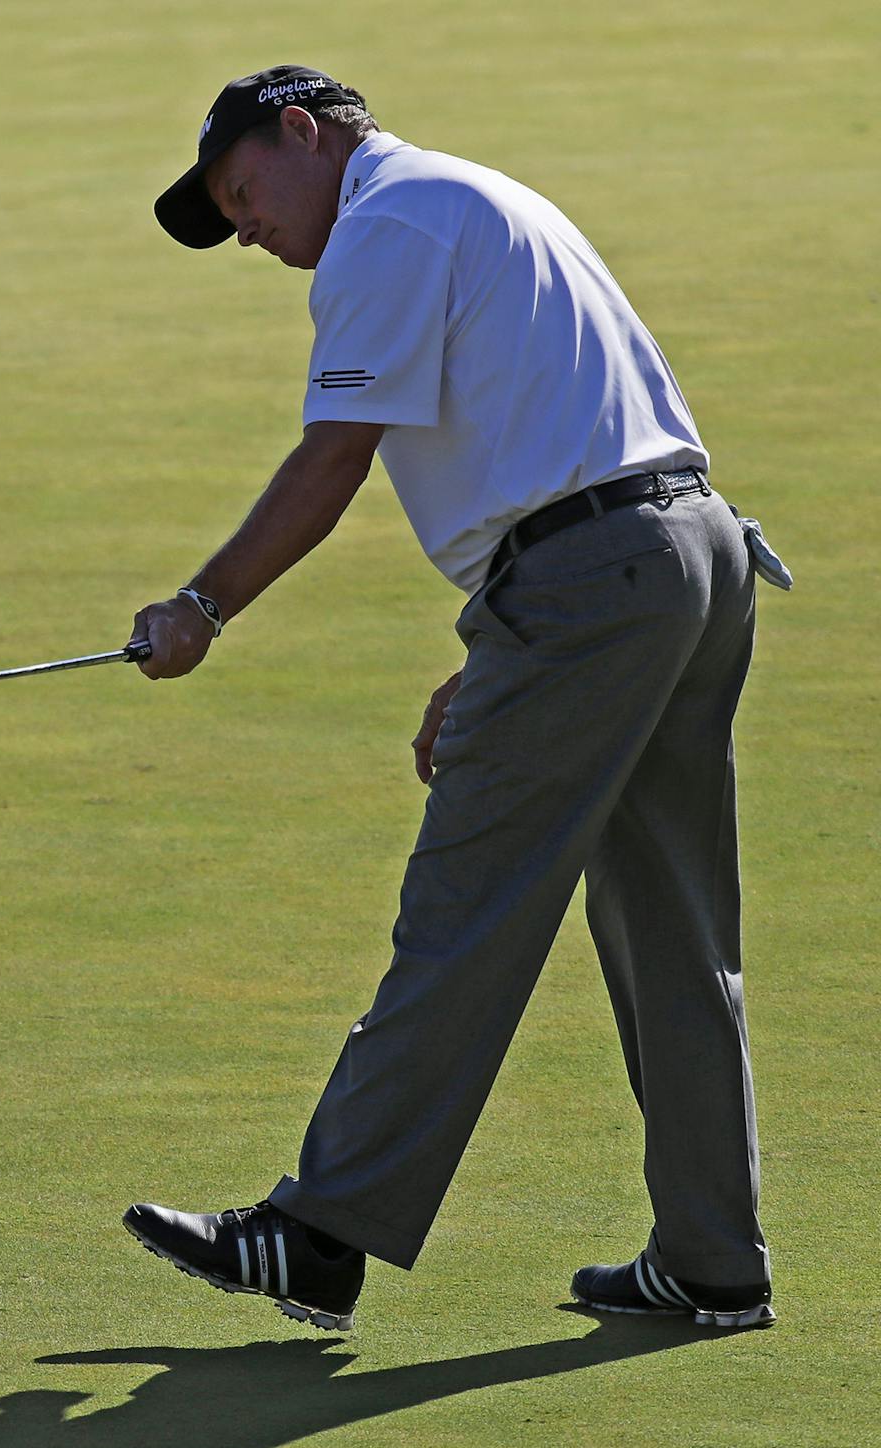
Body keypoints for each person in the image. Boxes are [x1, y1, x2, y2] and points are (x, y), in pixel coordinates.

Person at [119, 65, 780, 1333]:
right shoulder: (476, 199)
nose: (247, 230)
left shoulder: (383, 225)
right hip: (688, 555)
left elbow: (335, 458)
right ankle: (712, 1258)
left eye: (244, 194)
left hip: (602, 581)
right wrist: (503, 648)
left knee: (463, 914)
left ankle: (319, 1236)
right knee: (673, 926)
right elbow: (572, 439)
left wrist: (201, 608)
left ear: (303, 133)